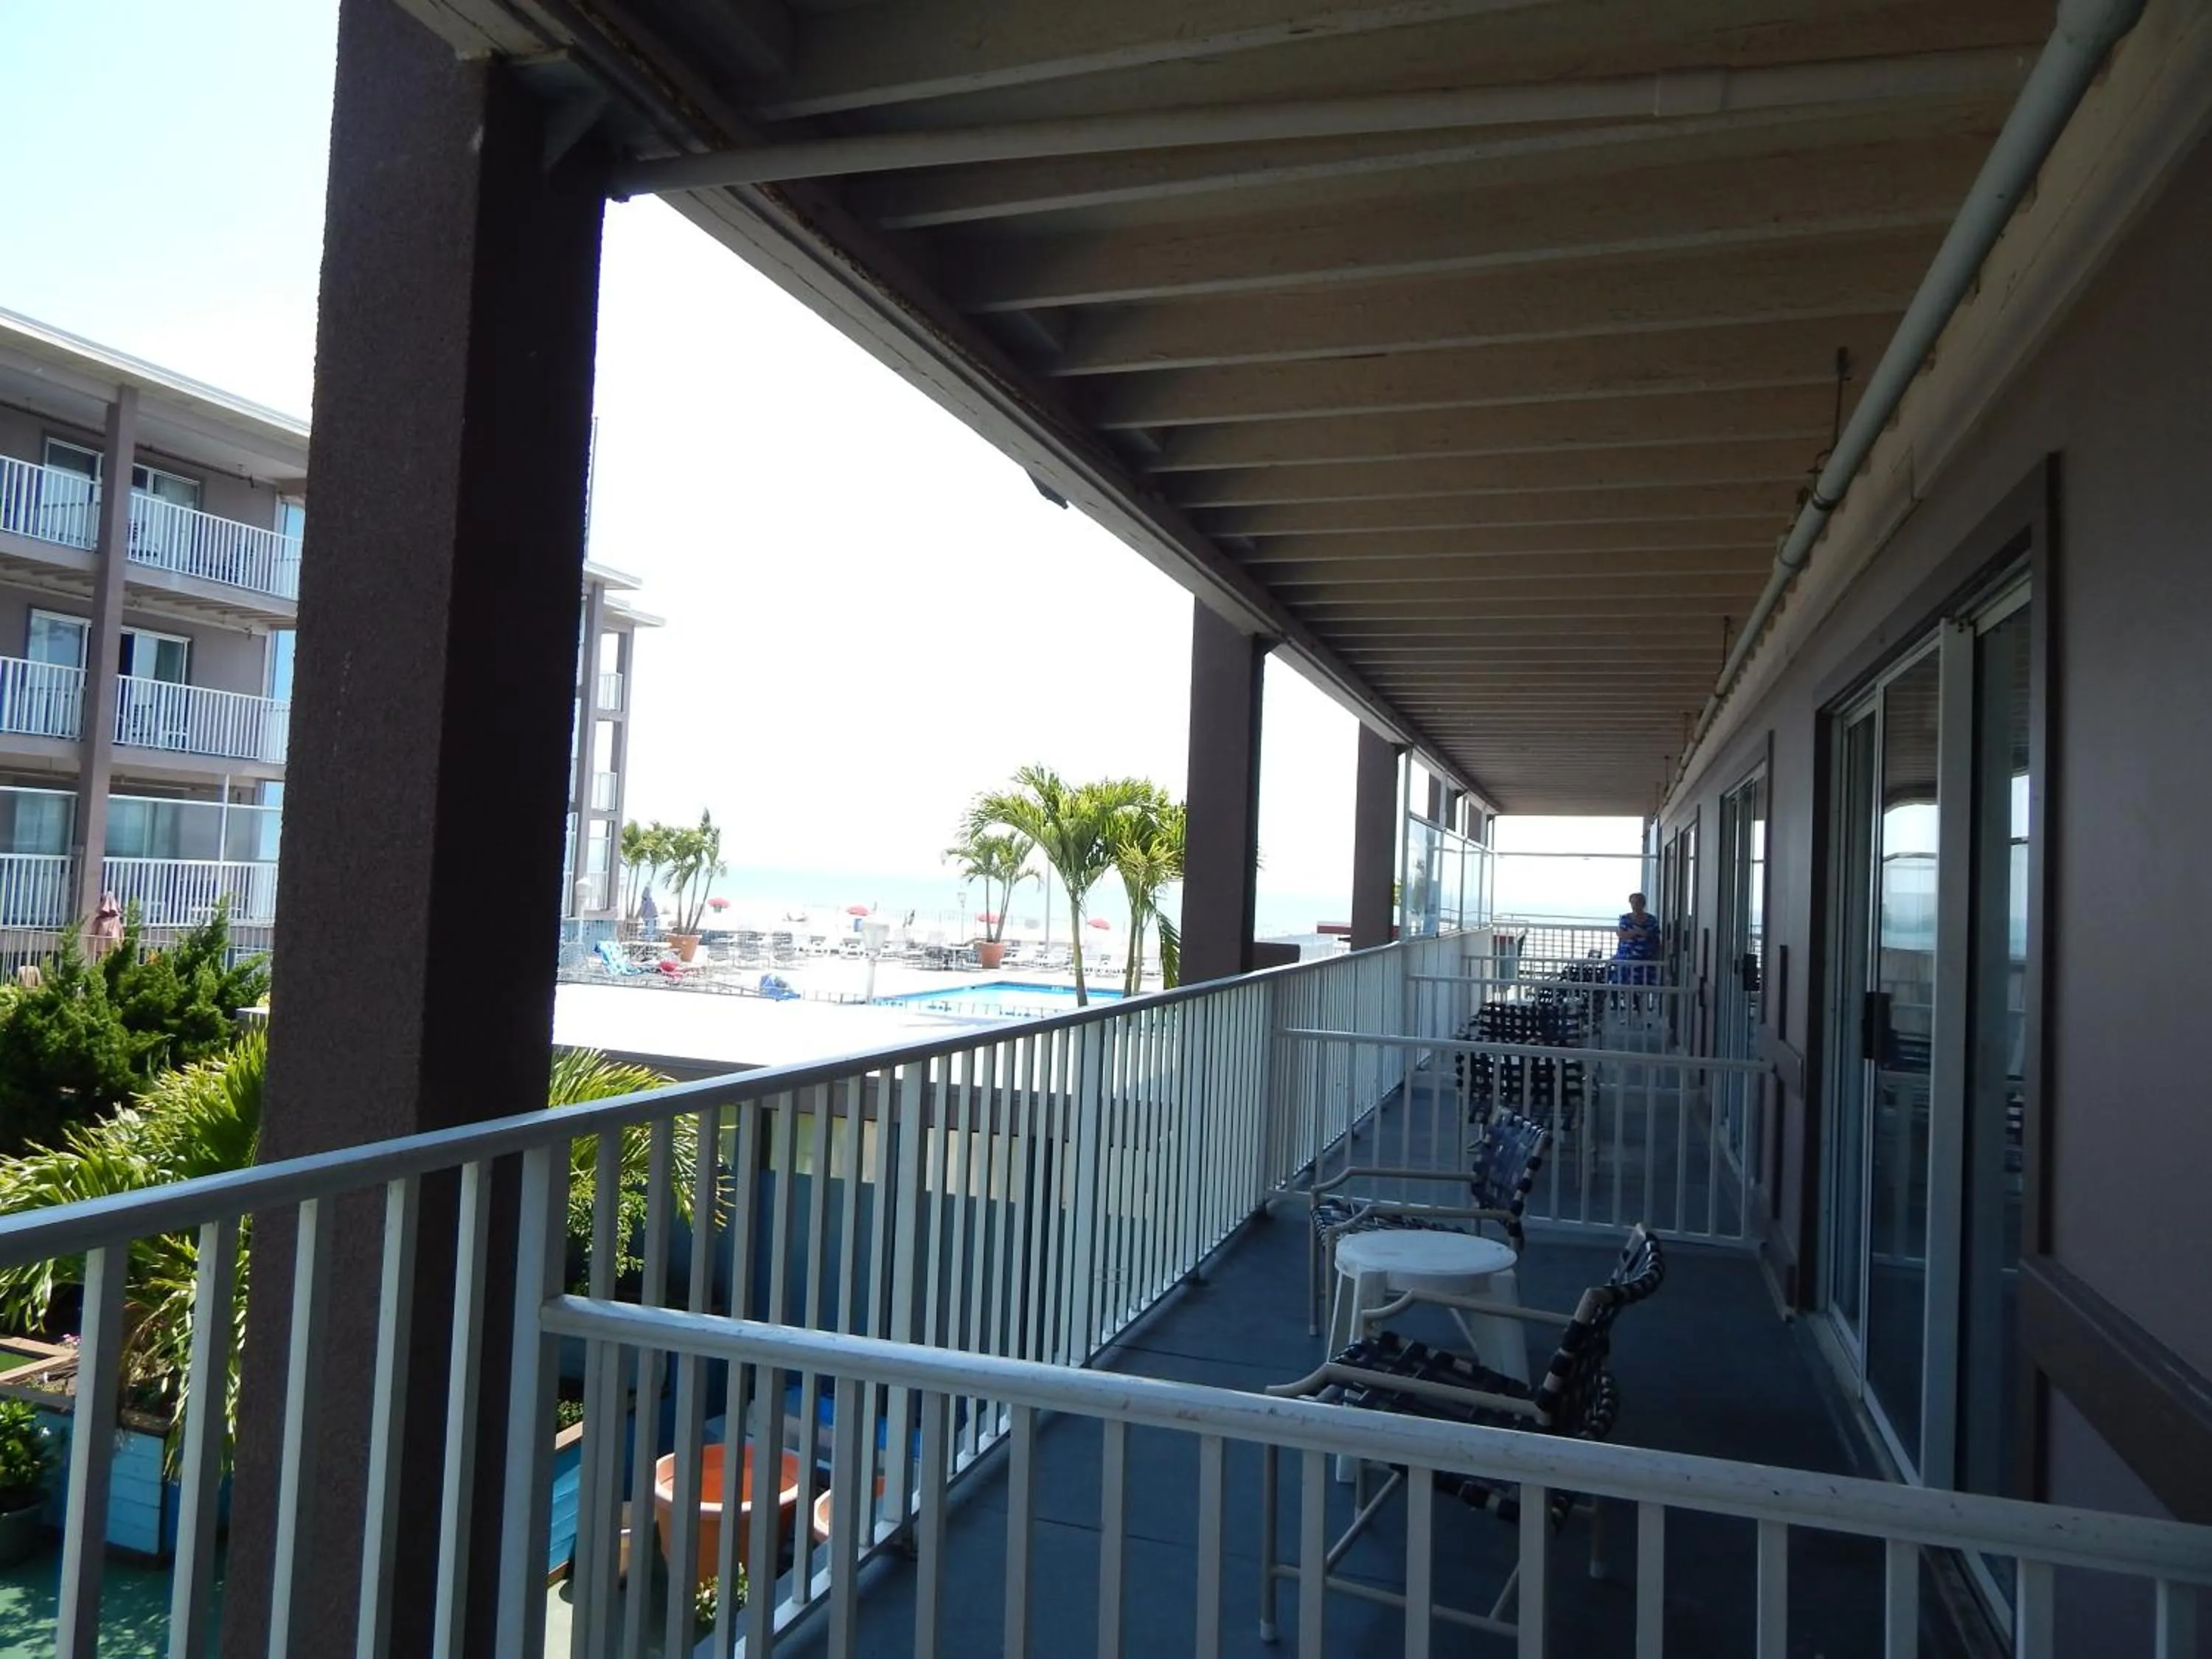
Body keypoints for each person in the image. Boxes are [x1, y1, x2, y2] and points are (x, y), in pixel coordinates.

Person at [1614, 891, 1660, 986]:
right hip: (1627, 958)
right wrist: (1637, 933)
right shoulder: (1625, 918)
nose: (1635, 905)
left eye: (1638, 903)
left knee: (1645, 985)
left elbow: (1655, 936)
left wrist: (1641, 933)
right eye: (1633, 903)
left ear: (1643, 904)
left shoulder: (1651, 920)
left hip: (1647, 959)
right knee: (1622, 983)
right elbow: (1621, 934)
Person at [89, 891, 123, 955]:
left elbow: (121, 934)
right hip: (102, 947)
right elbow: (93, 933)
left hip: (111, 947)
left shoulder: (116, 920)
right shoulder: (99, 920)